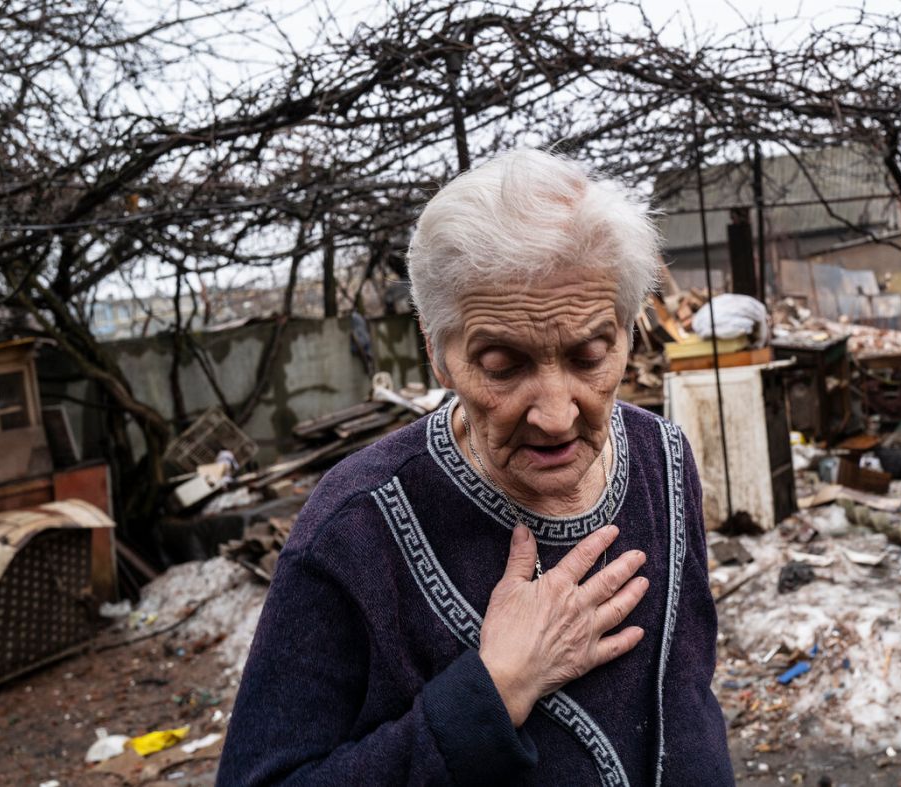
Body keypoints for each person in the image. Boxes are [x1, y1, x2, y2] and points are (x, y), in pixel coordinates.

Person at [217, 149, 734, 786]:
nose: (553, 413)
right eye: (502, 366)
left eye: (589, 355)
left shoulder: (664, 460)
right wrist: (490, 693)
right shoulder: (354, 528)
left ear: (629, 332)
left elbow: (689, 703)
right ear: (439, 353)